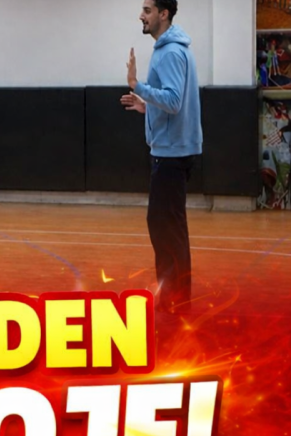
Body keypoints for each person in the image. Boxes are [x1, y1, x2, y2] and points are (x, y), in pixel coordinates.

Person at [121, 0, 201, 315]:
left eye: (148, 10)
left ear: (163, 14)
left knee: (165, 228)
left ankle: (175, 300)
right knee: (168, 227)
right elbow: (169, 101)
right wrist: (147, 107)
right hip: (174, 150)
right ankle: (175, 297)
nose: (141, 15)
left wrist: (137, 85)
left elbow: (174, 100)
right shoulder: (173, 49)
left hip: (171, 154)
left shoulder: (169, 53)